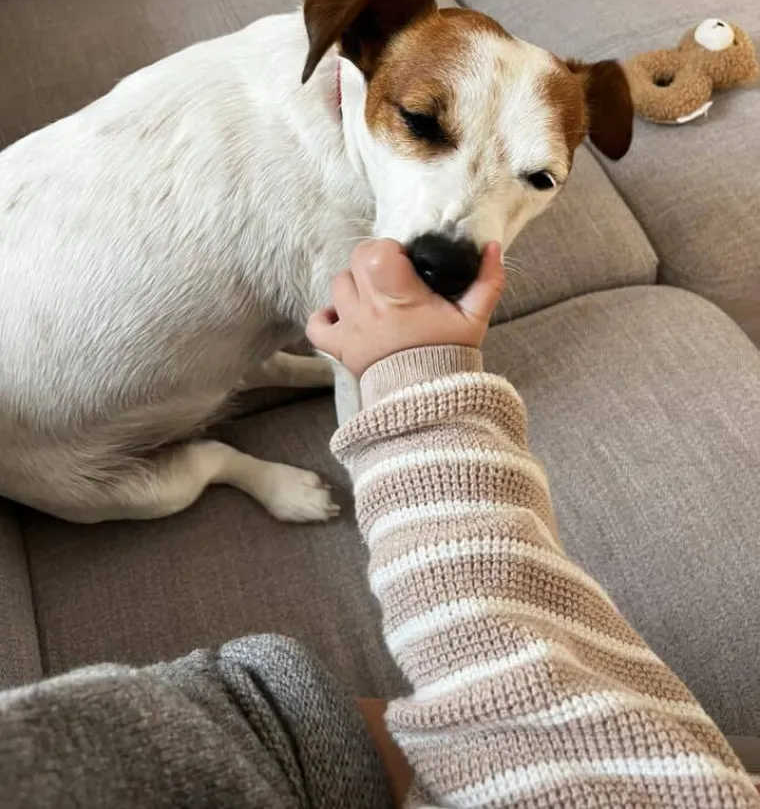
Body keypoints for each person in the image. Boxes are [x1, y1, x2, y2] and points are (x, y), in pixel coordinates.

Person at [0, 241, 757, 808]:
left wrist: (411, 386)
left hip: (260, 730)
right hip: (275, 737)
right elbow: (532, 716)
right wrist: (418, 379)